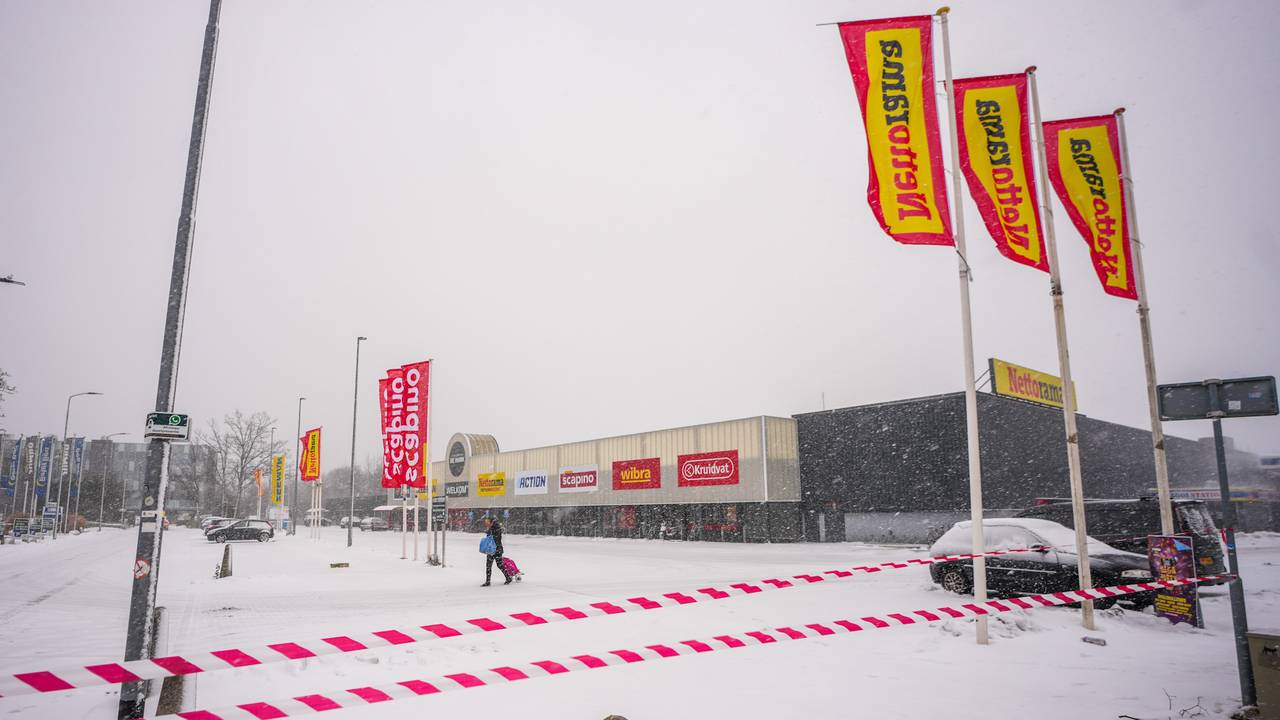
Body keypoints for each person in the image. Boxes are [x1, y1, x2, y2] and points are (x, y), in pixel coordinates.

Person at [482, 516, 512, 586]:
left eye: (487, 522)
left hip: (497, 549)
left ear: (491, 522)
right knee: (488, 565)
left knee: (500, 565)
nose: (486, 523)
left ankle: (508, 577)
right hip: (490, 549)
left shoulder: (497, 528)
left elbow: (496, 538)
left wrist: (490, 532)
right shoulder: (491, 528)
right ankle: (488, 581)